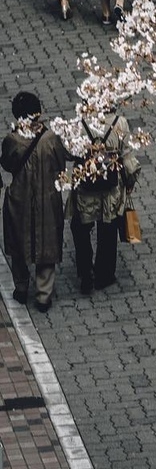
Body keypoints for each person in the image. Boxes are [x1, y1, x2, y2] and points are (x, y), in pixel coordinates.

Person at [1, 92, 68, 312]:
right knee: (46, 246)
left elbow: (8, 166)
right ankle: (43, 295)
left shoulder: (12, 141)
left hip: (19, 199)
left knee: (19, 245)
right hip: (47, 198)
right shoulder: (51, 138)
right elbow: (61, 165)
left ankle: (21, 287)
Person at [69, 109, 140, 293]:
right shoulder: (119, 122)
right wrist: (130, 181)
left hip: (86, 187)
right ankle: (104, 274)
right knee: (108, 228)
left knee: (81, 228)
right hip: (111, 188)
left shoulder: (80, 123)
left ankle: (85, 273)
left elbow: (70, 152)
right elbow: (127, 155)